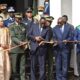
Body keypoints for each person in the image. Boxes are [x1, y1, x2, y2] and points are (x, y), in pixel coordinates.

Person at [9, 13, 28, 80]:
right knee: (14, 66)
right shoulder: (11, 26)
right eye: (18, 18)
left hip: (23, 49)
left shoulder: (24, 25)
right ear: (15, 18)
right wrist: (20, 43)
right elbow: (13, 37)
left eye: (20, 18)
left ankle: (22, 78)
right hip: (15, 49)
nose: (19, 19)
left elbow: (26, 35)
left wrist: (26, 42)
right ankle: (15, 78)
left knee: (22, 66)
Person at [0, 16, 11, 80]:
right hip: (0, 51)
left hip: (6, 51)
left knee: (7, 67)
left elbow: (9, 39)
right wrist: (1, 45)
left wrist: (8, 47)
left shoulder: (6, 29)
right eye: (1, 21)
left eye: (2, 21)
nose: (2, 22)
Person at [44, 15, 54, 80]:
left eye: (50, 22)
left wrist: (53, 40)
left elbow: (54, 37)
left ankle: (50, 77)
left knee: (50, 64)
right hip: (43, 48)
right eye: (48, 21)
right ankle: (43, 76)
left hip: (50, 48)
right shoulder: (43, 28)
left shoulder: (52, 29)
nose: (49, 23)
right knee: (43, 64)